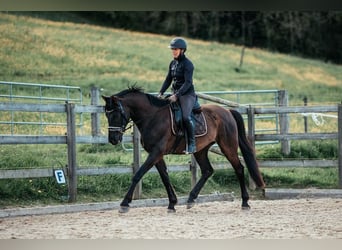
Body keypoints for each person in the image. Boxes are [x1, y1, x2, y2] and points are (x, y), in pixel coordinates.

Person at [158, 37, 197, 154]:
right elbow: (168, 79)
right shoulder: (173, 63)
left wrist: (177, 95)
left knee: (185, 117)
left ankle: (192, 144)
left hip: (187, 94)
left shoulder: (188, 64)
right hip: (175, 93)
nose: (173, 51)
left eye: (176, 49)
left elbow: (188, 82)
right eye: (172, 49)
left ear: (183, 50)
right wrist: (161, 92)